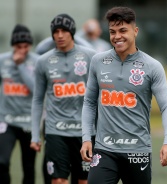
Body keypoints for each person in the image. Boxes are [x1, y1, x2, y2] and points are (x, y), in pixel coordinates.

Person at [80, 6, 167, 184]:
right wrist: (86, 138)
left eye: (123, 30)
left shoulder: (152, 66)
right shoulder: (98, 62)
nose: (117, 36)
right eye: (112, 31)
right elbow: (89, 103)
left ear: (135, 31)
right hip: (104, 149)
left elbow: (166, 106)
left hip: (137, 151)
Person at [30, 13, 96, 184]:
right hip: (55, 130)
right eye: (56, 31)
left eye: (64, 31)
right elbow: (38, 100)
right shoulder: (43, 61)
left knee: (84, 181)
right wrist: (35, 135)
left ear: (72, 32)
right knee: (58, 180)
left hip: (85, 131)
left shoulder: (90, 56)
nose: (59, 35)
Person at [0, 24, 38, 184]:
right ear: (13, 45)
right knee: (2, 162)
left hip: (28, 122)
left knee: (28, 166)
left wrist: (20, 65)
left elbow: (36, 89)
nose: (22, 50)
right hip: (6, 120)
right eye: (18, 46)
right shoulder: (2, 60)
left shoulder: (36, 61)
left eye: (26, 46)